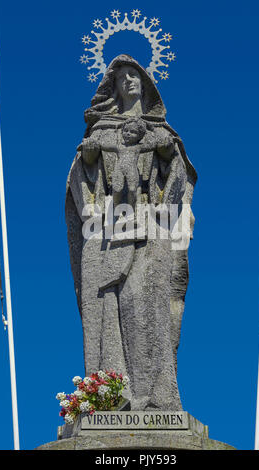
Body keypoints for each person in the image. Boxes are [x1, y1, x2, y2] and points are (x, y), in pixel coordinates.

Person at [65, 55, 197, 410]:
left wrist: (169, 157)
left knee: (147, 305)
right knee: (105, 309)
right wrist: (91, 159)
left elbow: (180, 180)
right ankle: (109, 396)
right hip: (106, 229)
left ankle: (155, 396)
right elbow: (81, 178)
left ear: (146, 82)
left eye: (135, 75)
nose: (129, 81)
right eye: (121, 77)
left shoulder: (161, 133)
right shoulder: (101, 132)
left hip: (150, 226)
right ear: (113, 87)